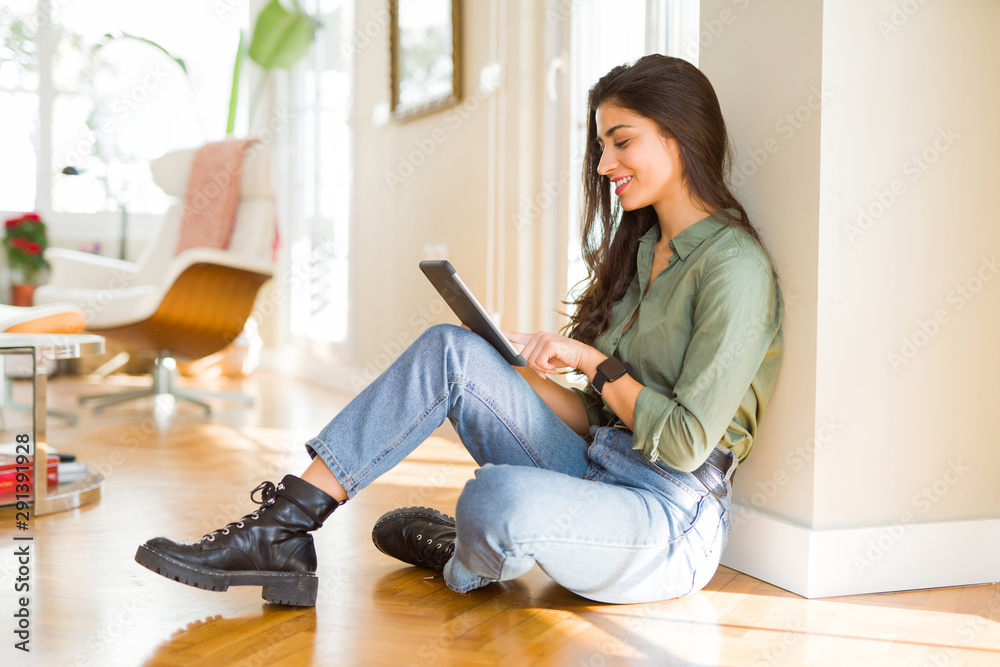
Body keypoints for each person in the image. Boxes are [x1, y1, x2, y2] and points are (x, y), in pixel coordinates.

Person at [135, 54, 784, 607]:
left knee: (497, 496)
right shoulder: (643, 251)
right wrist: (515, 379)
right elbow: (595, 416)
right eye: (602, 145)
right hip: (595, 467)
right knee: (454, 349)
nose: (604, 163)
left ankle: (469, 554)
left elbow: (685, 442)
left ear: (678, 134)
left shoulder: (734, 267)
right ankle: (284, 527)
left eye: (621, 140)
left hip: (669, 519)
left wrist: (592, 361)